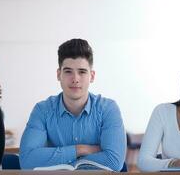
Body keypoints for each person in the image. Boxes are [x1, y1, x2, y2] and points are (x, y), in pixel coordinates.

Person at [20, 39, 126, 171]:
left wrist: (61, 163)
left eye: (82, 72)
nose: (75, 79)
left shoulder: (108, 109)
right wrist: (80, 150)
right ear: (59, 75)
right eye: (68, 71)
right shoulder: (42, 110)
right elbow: (27, 160)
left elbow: (114, 162)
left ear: (92, 76)